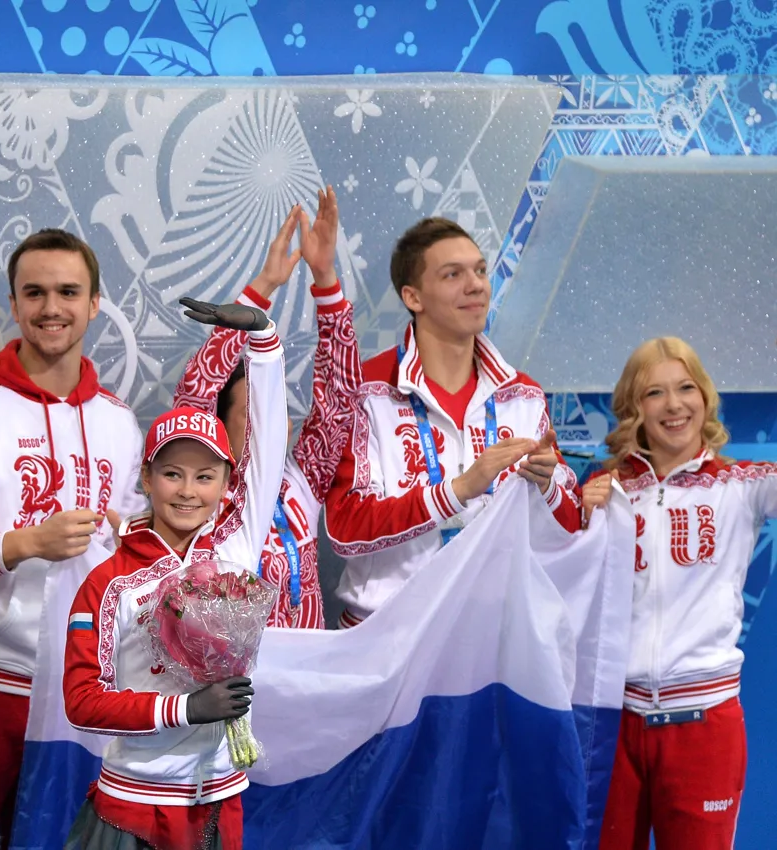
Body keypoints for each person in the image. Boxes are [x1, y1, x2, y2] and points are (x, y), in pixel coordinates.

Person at [0, 228, 146, 842]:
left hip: (80, 693)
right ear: (13, 305)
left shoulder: (120, 421)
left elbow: (131, 558)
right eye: (33, 293)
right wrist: (25, 543)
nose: (51, 309)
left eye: (69, 292)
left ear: (95, 304)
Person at [62, 297, 285, 850]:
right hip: (134, 800)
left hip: (218, 796)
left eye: (205, 476)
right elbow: (82, 702)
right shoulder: (107, 582)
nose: (188, 490)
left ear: (227, 480)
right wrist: (186, 707)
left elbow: (271, 440)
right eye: (172, 474)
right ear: (146, 477)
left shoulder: (236, 546)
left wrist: (264, 340)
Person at [323, 217, 581, 627]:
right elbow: (346, 526)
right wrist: (459, 490)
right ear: (414, 297)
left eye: (480, 270)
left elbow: (571, 526)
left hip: (494, 634)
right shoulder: (368, 393)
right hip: (388, 637)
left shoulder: (522, 396)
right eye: (452, 274)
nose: (476, 284)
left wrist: (549, 484)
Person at [582, 337, 776, 850]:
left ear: (706, 397)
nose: (674, 405)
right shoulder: (607, 492)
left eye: (686, 388)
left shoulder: (743, 484)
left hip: (704, 727)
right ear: (633, 408)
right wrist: (576, 513)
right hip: (614, 724)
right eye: (655, 393)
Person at [174, 188, 355, 628]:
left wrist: (327, 283)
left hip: (305, 676)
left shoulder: (300, 481)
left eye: (276, 412)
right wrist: (259, 294)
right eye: (252, 414)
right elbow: (196, 396)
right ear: (217, 426)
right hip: (228, 683)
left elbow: (339, 401)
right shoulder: (200, 494)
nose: (272, 424)